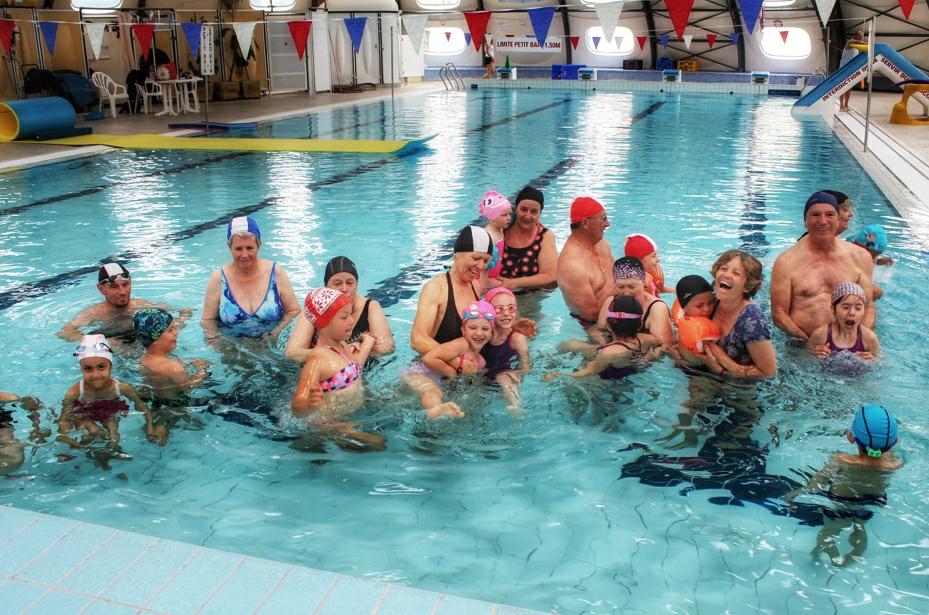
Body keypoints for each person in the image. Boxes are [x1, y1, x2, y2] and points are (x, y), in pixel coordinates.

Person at [785, 404, 901, 566]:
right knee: (860, 527)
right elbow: (884, 452)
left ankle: (824, 554)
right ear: (895, 441)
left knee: (830, 531)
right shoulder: (894, 464)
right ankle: (856, 553)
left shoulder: (842, 460)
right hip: (872, 502)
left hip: (840, 503)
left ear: (850, 437)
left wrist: (797, 492)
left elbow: (817, 484)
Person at [771, 192, 875, 340]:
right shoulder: (786, 262)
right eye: (815, 215)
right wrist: (809, 343)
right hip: (801, 343)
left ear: (837, 220)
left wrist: (859, 340)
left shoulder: (860, 257)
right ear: (805, 222)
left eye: (830, 215)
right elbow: (779, 313)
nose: (823, 221)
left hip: (851, 342)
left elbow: (869, 307)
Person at [291, 288, 383, 448]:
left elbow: (354, 368)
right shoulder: (319, 358)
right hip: (324, 424)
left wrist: (367, 344)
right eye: (344, 317)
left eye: (351, 314)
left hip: (345, 416)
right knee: (379, 443)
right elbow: (297, 405)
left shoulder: (342, 345)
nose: (352, 321)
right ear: (324, 323)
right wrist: (309, 404)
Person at [202, 216, 299, 339]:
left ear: (259, 245)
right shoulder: (219, 277)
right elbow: (208, 320)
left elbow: (293, 312)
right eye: (238, 249)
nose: (244, 255)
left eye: (249, 248)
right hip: (232, 346)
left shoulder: (276, 272)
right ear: (229, 247)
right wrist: (219, 342)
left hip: (272, 343)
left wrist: (275, 333)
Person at [59, 334, 160, 452]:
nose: (95, 375)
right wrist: (64, 435)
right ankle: (92, 450)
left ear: (111, 366)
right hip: (84, 411)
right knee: (93, 431)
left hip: (109, 409)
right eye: (88, 369)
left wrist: (150, 427)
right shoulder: (74, 392)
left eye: (101, 367)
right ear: (81, 369)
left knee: (114, 437)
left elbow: (142, 407)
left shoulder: (122, 388)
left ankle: (110, 452)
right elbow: (64, 418)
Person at [285, 256, 394, 361]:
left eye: (350, 283)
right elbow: (293, 353)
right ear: (326, 287)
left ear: (356, 284)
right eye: (337, 283)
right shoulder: (315, 307)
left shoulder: (370, 306)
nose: (344, 289)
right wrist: (339, 352)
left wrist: (356, 348)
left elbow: (386, 347)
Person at [405, 301, 496, 419]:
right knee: (431, 390)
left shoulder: (481, 362)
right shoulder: (461, 345)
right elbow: (429, 358)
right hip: (419, 373)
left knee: (438, 391)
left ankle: (440, 409)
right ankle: (435, 409)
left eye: (485, 329)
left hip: (437, 378)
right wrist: (452, 373)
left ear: (491, 332)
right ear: (463, 330)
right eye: (472, 328)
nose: (479, 333)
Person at [411, 226, 493, 355]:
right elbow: (418, 340)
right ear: (458, 254)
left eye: (486, 261)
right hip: (436, 365)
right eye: (476, 258)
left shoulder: (475, 285)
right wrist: (460, 362)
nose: (481, 266)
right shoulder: (436, 288)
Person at [547, 296, 660, 381]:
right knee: (578, 346)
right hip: (625, 369)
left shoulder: (607, 353)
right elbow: (660, 344)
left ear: (608, 325)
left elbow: (588, 372)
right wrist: (648, 358)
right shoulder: (646, 339)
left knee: (572, 344)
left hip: (606, 374)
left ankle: (550, 357)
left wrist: (560, 375)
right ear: (640, 325)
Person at [704, 250, 777, 378]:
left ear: (747, 286)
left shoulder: (752, 321)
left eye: (736, 273)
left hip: (738, 385)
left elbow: (768, 373)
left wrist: (725, 370)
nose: (727, 275)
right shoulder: (710, 301)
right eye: (723, 268)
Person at [134, 307, 211, 419]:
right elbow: (189, 387)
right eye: (170, 330)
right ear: (155, 340)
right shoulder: (173, 367)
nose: (176, 332)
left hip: (158, 400)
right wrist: (201, 369)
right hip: (179, 404)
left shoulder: (143, 359)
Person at [58, 263, 163, 343]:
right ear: (101, 289)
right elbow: (65, 333)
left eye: (125, 284)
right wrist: (103, 343)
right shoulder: (95, 313)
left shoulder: (141, 305)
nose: (122, 292)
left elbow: (171, 312)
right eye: (114, 287)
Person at [557, 197, 614, 326]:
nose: (607, 224)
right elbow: (591, 316)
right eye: (603, 219)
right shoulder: (572, 266)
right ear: (585, 223)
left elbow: (619, 277)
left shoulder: (602, 244)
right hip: (595, 327)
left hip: (617, 314)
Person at [488, 186, 557, 292]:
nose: (527, 216)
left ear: (540, 213)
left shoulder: (545, 236)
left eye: (534, 212)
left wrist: (513, 283)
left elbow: (550, 276)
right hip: (497, 293)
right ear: (515, 209)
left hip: (531, 297)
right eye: (523, 210)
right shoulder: (501, 229)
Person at [595, 257, 674, 349]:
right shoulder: (610, 302)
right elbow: (598, 331)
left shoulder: (657, 308)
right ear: (614, 284)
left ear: (644, 282)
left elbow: (665, 346)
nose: (626, 293)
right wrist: (607, 347)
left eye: (632, 287)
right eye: (621, 287)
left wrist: (629, 350)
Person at [482, 288, 530, 411]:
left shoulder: (517, 338)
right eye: (499, 309)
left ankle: (515, 406)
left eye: (511, 308)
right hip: (485, 376)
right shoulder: (483, 333)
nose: (506, 313)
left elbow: (527, 367)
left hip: (508, 376)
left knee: (503, 377)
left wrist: (515, 374)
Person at [808, 282, 879, 360]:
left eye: (858, 308)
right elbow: (805, 357)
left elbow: (880, 361)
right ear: (833, 309)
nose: (852, 313)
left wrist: (873, 361)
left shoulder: (869, 339)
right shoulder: (820, 335)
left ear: (864, 311)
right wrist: (814, 355)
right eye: (846, 307)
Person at [672, 275, 721, 357]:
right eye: (699, 306)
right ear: (684, 308)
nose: (707, 309)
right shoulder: (682, 329)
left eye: (710, 303)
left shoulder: (715, 314)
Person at [480, 191, 513, 280]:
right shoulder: (489, 236)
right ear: (492, 217)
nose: (509, 218)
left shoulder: (500, 228)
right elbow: (483, 267)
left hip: (495, 275)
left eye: (509, 213)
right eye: (504, 215)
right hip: (485, 279)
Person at [838, 31, 866, 112]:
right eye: (860, 36)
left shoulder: (857, 47)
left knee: (849, 88)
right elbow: (858, 42)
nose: (861, 38)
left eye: (862, 36)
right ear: (855, 36)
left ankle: (846, 105)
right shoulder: (850, 42)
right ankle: (841, 106)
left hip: (851, 70)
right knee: (842, 88)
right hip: (844, 69)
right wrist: (869, 44)